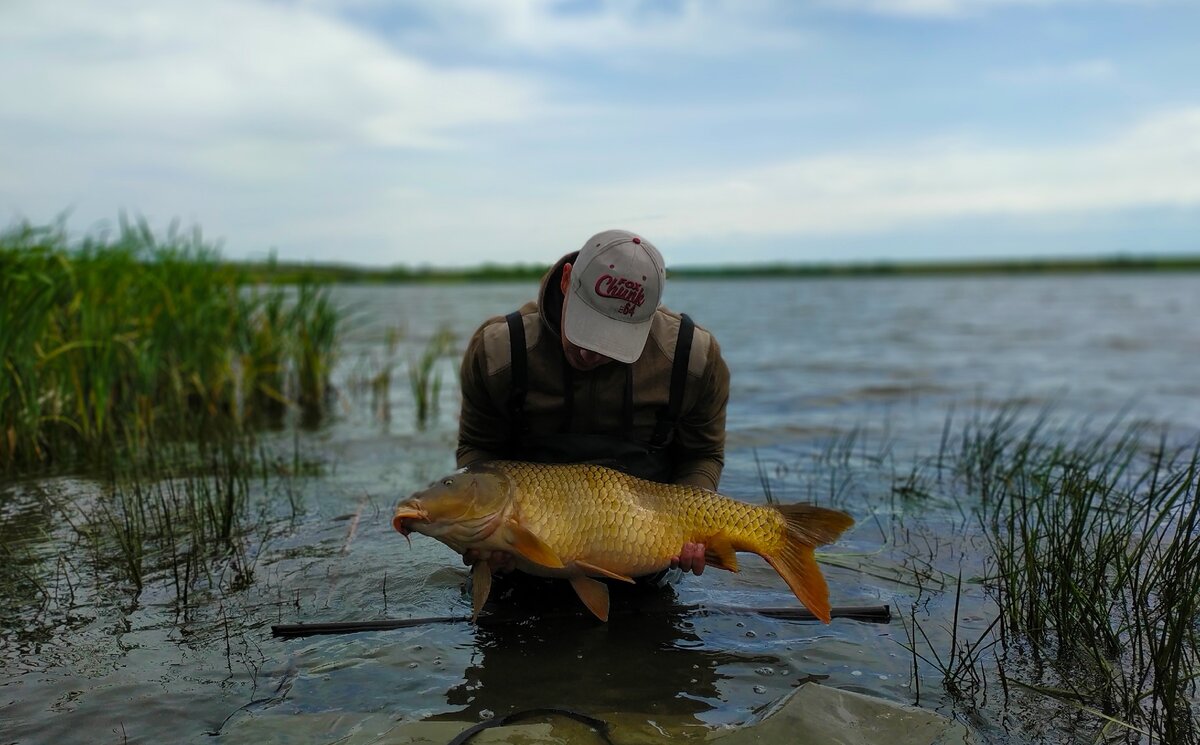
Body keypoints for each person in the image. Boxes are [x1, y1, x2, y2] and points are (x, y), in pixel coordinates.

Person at [455, 229, 731, 583]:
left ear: (648, 319)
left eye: (612, 338)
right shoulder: (498, 352)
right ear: (567, 281)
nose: (590, 352)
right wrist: (488, 532)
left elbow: (703, 454)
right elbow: (477, 448)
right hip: (524, 558)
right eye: (587, 328)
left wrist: (695, 525)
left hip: (643, 560)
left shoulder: (692, 359)